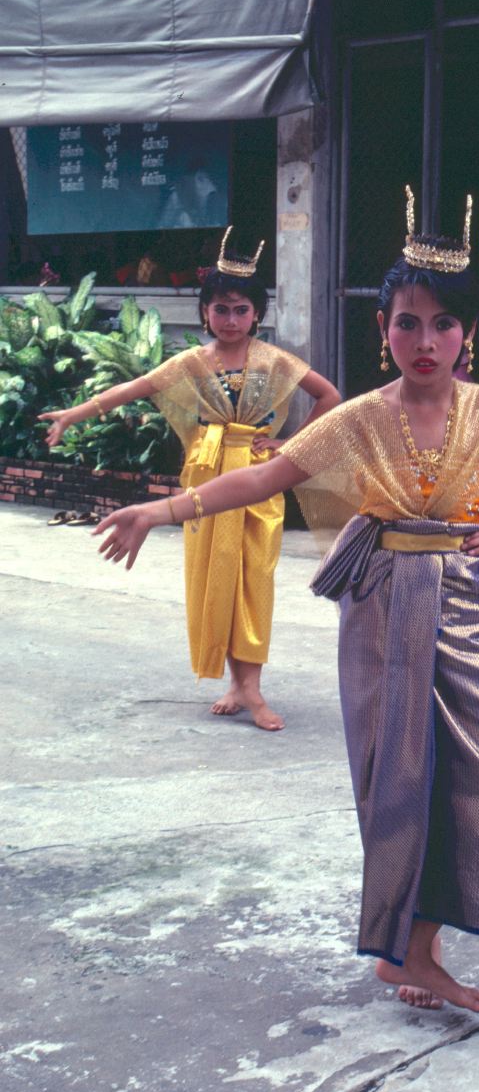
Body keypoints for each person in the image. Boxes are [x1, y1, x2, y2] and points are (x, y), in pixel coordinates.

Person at [92, 187, 479, 1012]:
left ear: (466, 334)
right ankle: (408, 953)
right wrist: (161, 508)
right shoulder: (358, 418)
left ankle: (417, 946)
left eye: (441, 324)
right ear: (381, 327)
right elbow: (265, 475)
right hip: (384, 610)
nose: (423, 341)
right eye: (406, 322)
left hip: (469, 609)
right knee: (401, 780)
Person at [40, 227, 340, 732]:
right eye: (220, 309)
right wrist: (75, 413)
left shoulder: (275, 361)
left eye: (240, 309)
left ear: (257, 314)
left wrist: (288, 446)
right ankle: (237, 683)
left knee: (253, 582)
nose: (230, 319)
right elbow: (134, 389)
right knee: (215, 578)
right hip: (204, 478)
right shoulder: (191, 364)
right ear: (205, 312)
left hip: (258, 480)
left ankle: (254, 687)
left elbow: (329, 397)